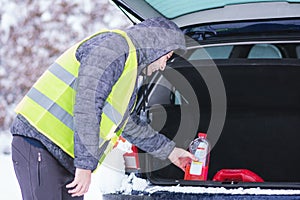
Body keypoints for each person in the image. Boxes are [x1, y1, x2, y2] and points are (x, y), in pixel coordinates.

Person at [10, 17, 196, 200]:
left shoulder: (129, 69)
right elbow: (88, 104)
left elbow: (128, 124)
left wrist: (170, 152)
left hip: (63, 155)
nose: (163, 66)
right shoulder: (112, 47)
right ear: (158, 45)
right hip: (40, 142)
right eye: (167, 56)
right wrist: (85, 165)